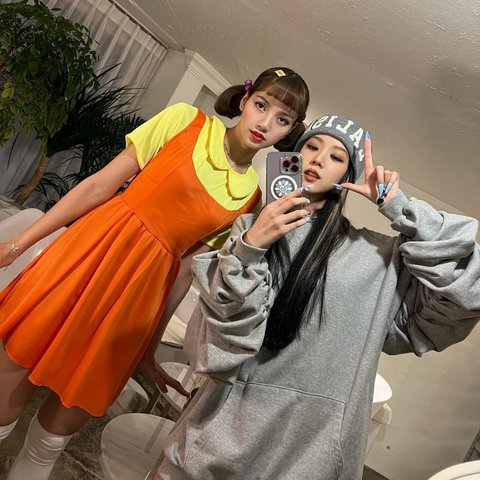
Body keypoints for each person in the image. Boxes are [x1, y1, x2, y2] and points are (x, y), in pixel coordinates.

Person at [0, 67, 310, 479]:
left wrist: (148, 347)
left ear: (289, 132)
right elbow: (98, 186)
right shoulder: (185, 121)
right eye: (261, 105)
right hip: (86, 257)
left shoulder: (251, 198)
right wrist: (17, 244)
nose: (266, 123)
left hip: (136, 301)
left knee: (52, 439)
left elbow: (184, 272)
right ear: (244, 100)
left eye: (282, 119)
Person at [155, 114, 480, 479]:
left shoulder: (377, 258)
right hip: (214, 447)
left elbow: (470, 291)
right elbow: (214, 348)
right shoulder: (250, 231)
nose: (319, 159)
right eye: (311, 146)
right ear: (294, 156)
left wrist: (399, 206)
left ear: (347, 176)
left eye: (337, 156)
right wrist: (250, 248)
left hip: (310, 457)